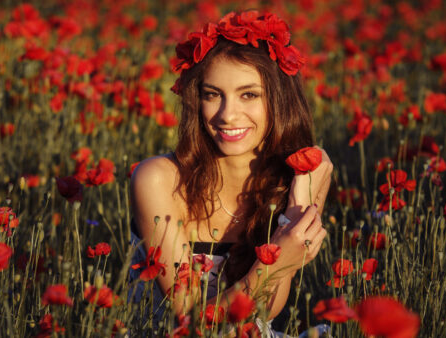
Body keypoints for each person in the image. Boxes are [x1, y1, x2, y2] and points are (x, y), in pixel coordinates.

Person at [129, 10, 333, 336]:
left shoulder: (300, 177)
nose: (227, 114)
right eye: (213, 95)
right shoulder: (158, 179)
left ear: (279, 100)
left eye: (249, 95)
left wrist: (296, 209)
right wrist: (277, 263)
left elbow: (269, 308)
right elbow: (191, 321)